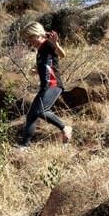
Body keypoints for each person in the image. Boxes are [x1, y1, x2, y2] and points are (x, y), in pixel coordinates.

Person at [19, 21, 72, 149]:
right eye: (28, 38)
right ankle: (24, 146)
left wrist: (56, 44)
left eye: (31, 37)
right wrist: (36, 70)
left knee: (41, 110)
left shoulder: (48, 44)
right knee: (32, 115)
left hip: (54, 85)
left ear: (37, 34)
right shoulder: (40, 51)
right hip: (45, 87)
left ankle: (65, 128)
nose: (29, 41)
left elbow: (62, 55)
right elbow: (48, 65)